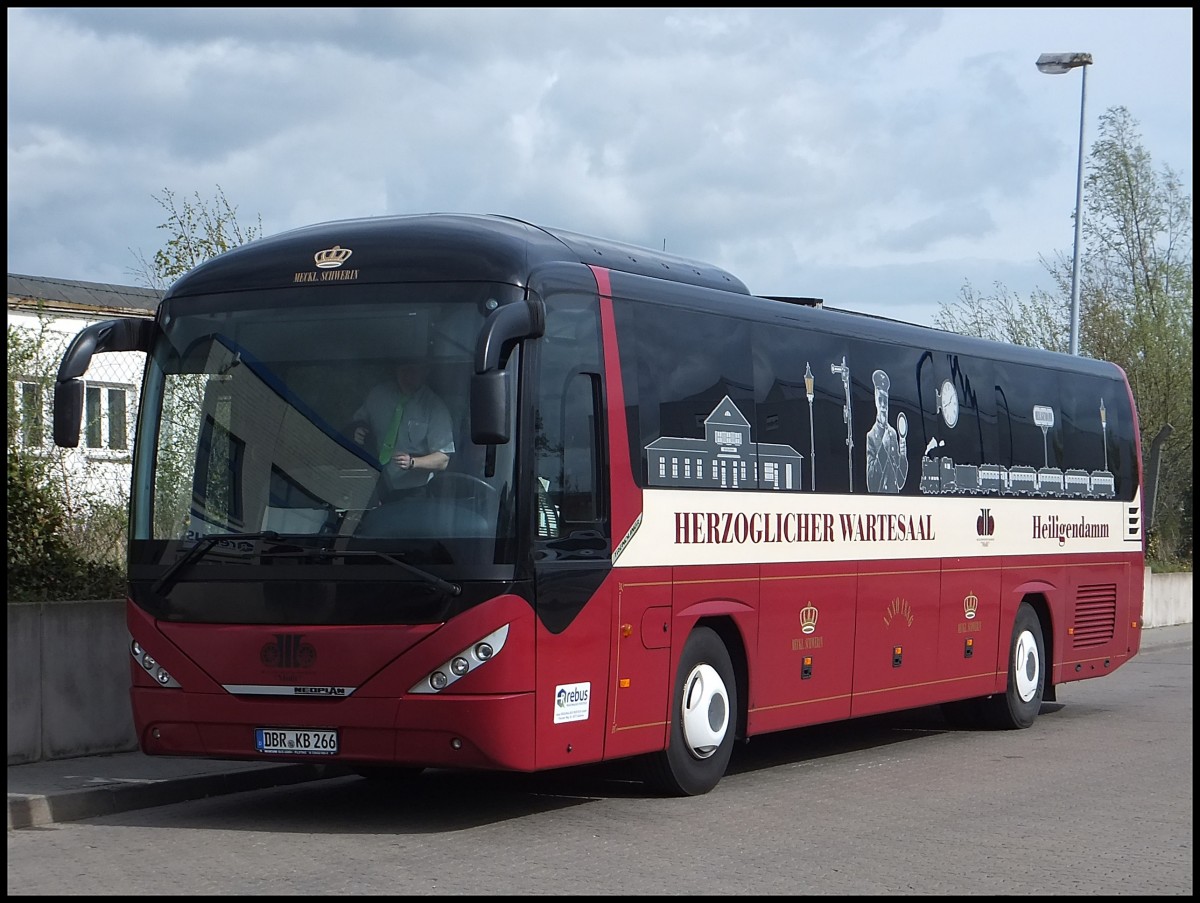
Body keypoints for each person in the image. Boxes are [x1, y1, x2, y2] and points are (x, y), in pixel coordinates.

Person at [351, 353, 455, 499]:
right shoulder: (378, 395)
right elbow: (358, 421)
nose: (407, 376)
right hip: (372, 486)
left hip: (413, 493)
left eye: (413, 371)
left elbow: (443, 459)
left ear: (425, 372)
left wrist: (412, 462)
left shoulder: (435, 407)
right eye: (403, 370)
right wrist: (359, 429)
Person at [865, 368, 908, 493]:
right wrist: (883, 444)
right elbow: (871, 483)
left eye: (886, 400)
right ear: (876, 402)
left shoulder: (893, 434)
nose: (883, 405)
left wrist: (903, 454)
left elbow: (900, 480)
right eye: (880, 400)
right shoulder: (871, 436)